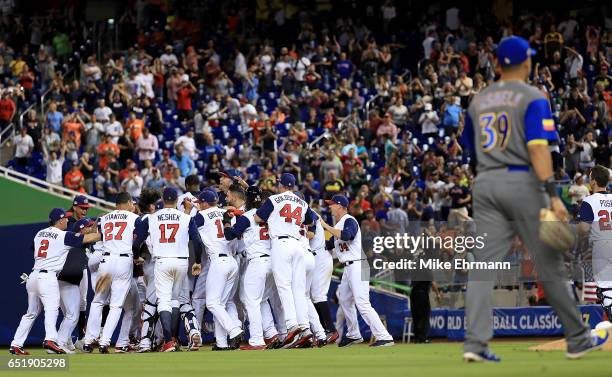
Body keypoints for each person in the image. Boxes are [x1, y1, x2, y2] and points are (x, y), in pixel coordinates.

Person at [462, 36, 606, 362]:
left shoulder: (479, 100)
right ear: (527, 63)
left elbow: (469, 148)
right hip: (522, 181)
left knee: (482, 266)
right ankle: (578, 338)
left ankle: (475, 343)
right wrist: (551, 194)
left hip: (485, 183)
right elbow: (538, 147)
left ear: (497, 64)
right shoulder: (532, 96)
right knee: (550, 262)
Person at [9, 208, 100, 355]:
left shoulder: (39, 233)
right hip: (48, 276)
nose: (67, 221)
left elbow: (37, 248)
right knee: (51, 309)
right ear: (60, 220)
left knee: (30, 313)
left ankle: (16, 344)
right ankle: (51, 339)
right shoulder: (62, 235)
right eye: (65, 219)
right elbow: (89, 239)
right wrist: (105, 233)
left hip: (33, 276)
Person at [133, 188, 203, 352]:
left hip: (162, 261)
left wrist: (136, 256)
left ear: (163, 200)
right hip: (181, 262)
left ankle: (168, 340)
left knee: (163, 301)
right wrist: (198, 261)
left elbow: (136, 244)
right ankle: (176, 337)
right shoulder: (185, 217)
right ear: (176, 199)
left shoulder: (151, 218)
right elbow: (197, 242)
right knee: (175, 300)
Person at [318, 194, 395, 347]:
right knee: (344, 300)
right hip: (348, 268)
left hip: (359, 265)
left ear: (340, 206)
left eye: (332, 204)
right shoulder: (339, 224)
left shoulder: (349, 220)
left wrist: (325, 226)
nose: (330, 207)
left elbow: (348, 235)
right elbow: (328, 245)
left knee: (363, 303)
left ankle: (384, 336)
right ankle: (354, 334)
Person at [254, 173, 318, 347]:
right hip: (298, 245)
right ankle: (305, 326)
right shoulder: (303, 202)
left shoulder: (274, 199)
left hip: (281, 244)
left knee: (284, 286)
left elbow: (258, 218)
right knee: (298, 289)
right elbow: (311, 221)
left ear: (281, 185)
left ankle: (291, 325)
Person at [81, 192, 139, 353]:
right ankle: (104, 342)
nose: (133, 206)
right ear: (127, 203)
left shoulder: (105, 218)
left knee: (98, 301)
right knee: (115, 305)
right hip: (123, 262)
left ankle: (88, 340)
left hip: (105, 262)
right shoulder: (133, 218)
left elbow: (97, 235)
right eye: (132, 203)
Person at [193, 189, 244, 351]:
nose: (198, 206)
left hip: (218, 261)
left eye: (199, 203)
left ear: (205, 203)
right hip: (232, 260)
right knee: (221, 303)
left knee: (213, 302)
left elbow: (191, 233)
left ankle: (234, 330)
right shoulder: (227, 212)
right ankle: (221, 343)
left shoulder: (201, 216)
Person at [576, 166, 612, 321]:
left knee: (606, 292)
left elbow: (583, 229)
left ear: (594, 181)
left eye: (590, 178)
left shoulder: (589, 201)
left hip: (602, 247)